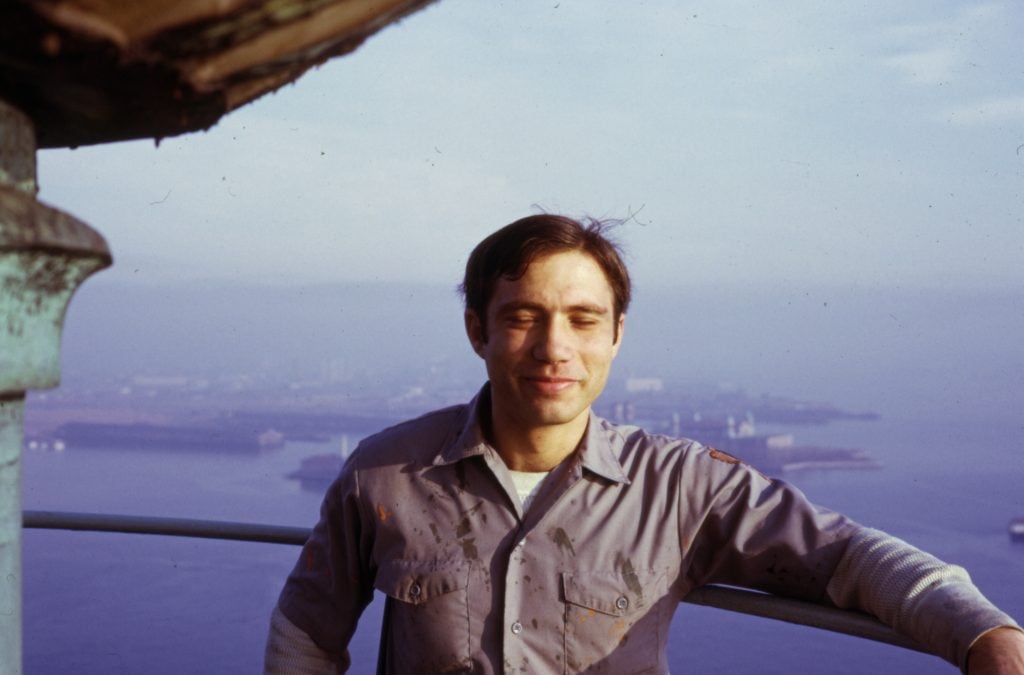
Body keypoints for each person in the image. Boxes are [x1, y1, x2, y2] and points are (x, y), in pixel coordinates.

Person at [265, 214, 1023, 673]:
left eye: (584, 318)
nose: (553, 347)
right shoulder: (386, 473)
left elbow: (847, 556)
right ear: (478, 330)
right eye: (524, 316)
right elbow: (306, 630)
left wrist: (983, 632)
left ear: (618, 335)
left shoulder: (681, 486)